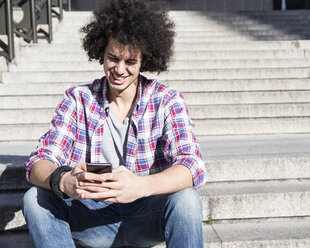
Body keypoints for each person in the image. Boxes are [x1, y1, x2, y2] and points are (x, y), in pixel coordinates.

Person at [22, 0, 207, 247]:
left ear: (145, 61)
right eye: (113, 58)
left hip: (146, 217)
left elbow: (192, 165)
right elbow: (38, 162)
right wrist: (64, 180)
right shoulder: (79, 99)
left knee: (187, 200)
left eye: (130, 61)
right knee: (35, 198)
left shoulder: (166, 100)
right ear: (101, 53)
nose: (120, 69)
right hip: (90, 217)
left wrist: (140, 186)